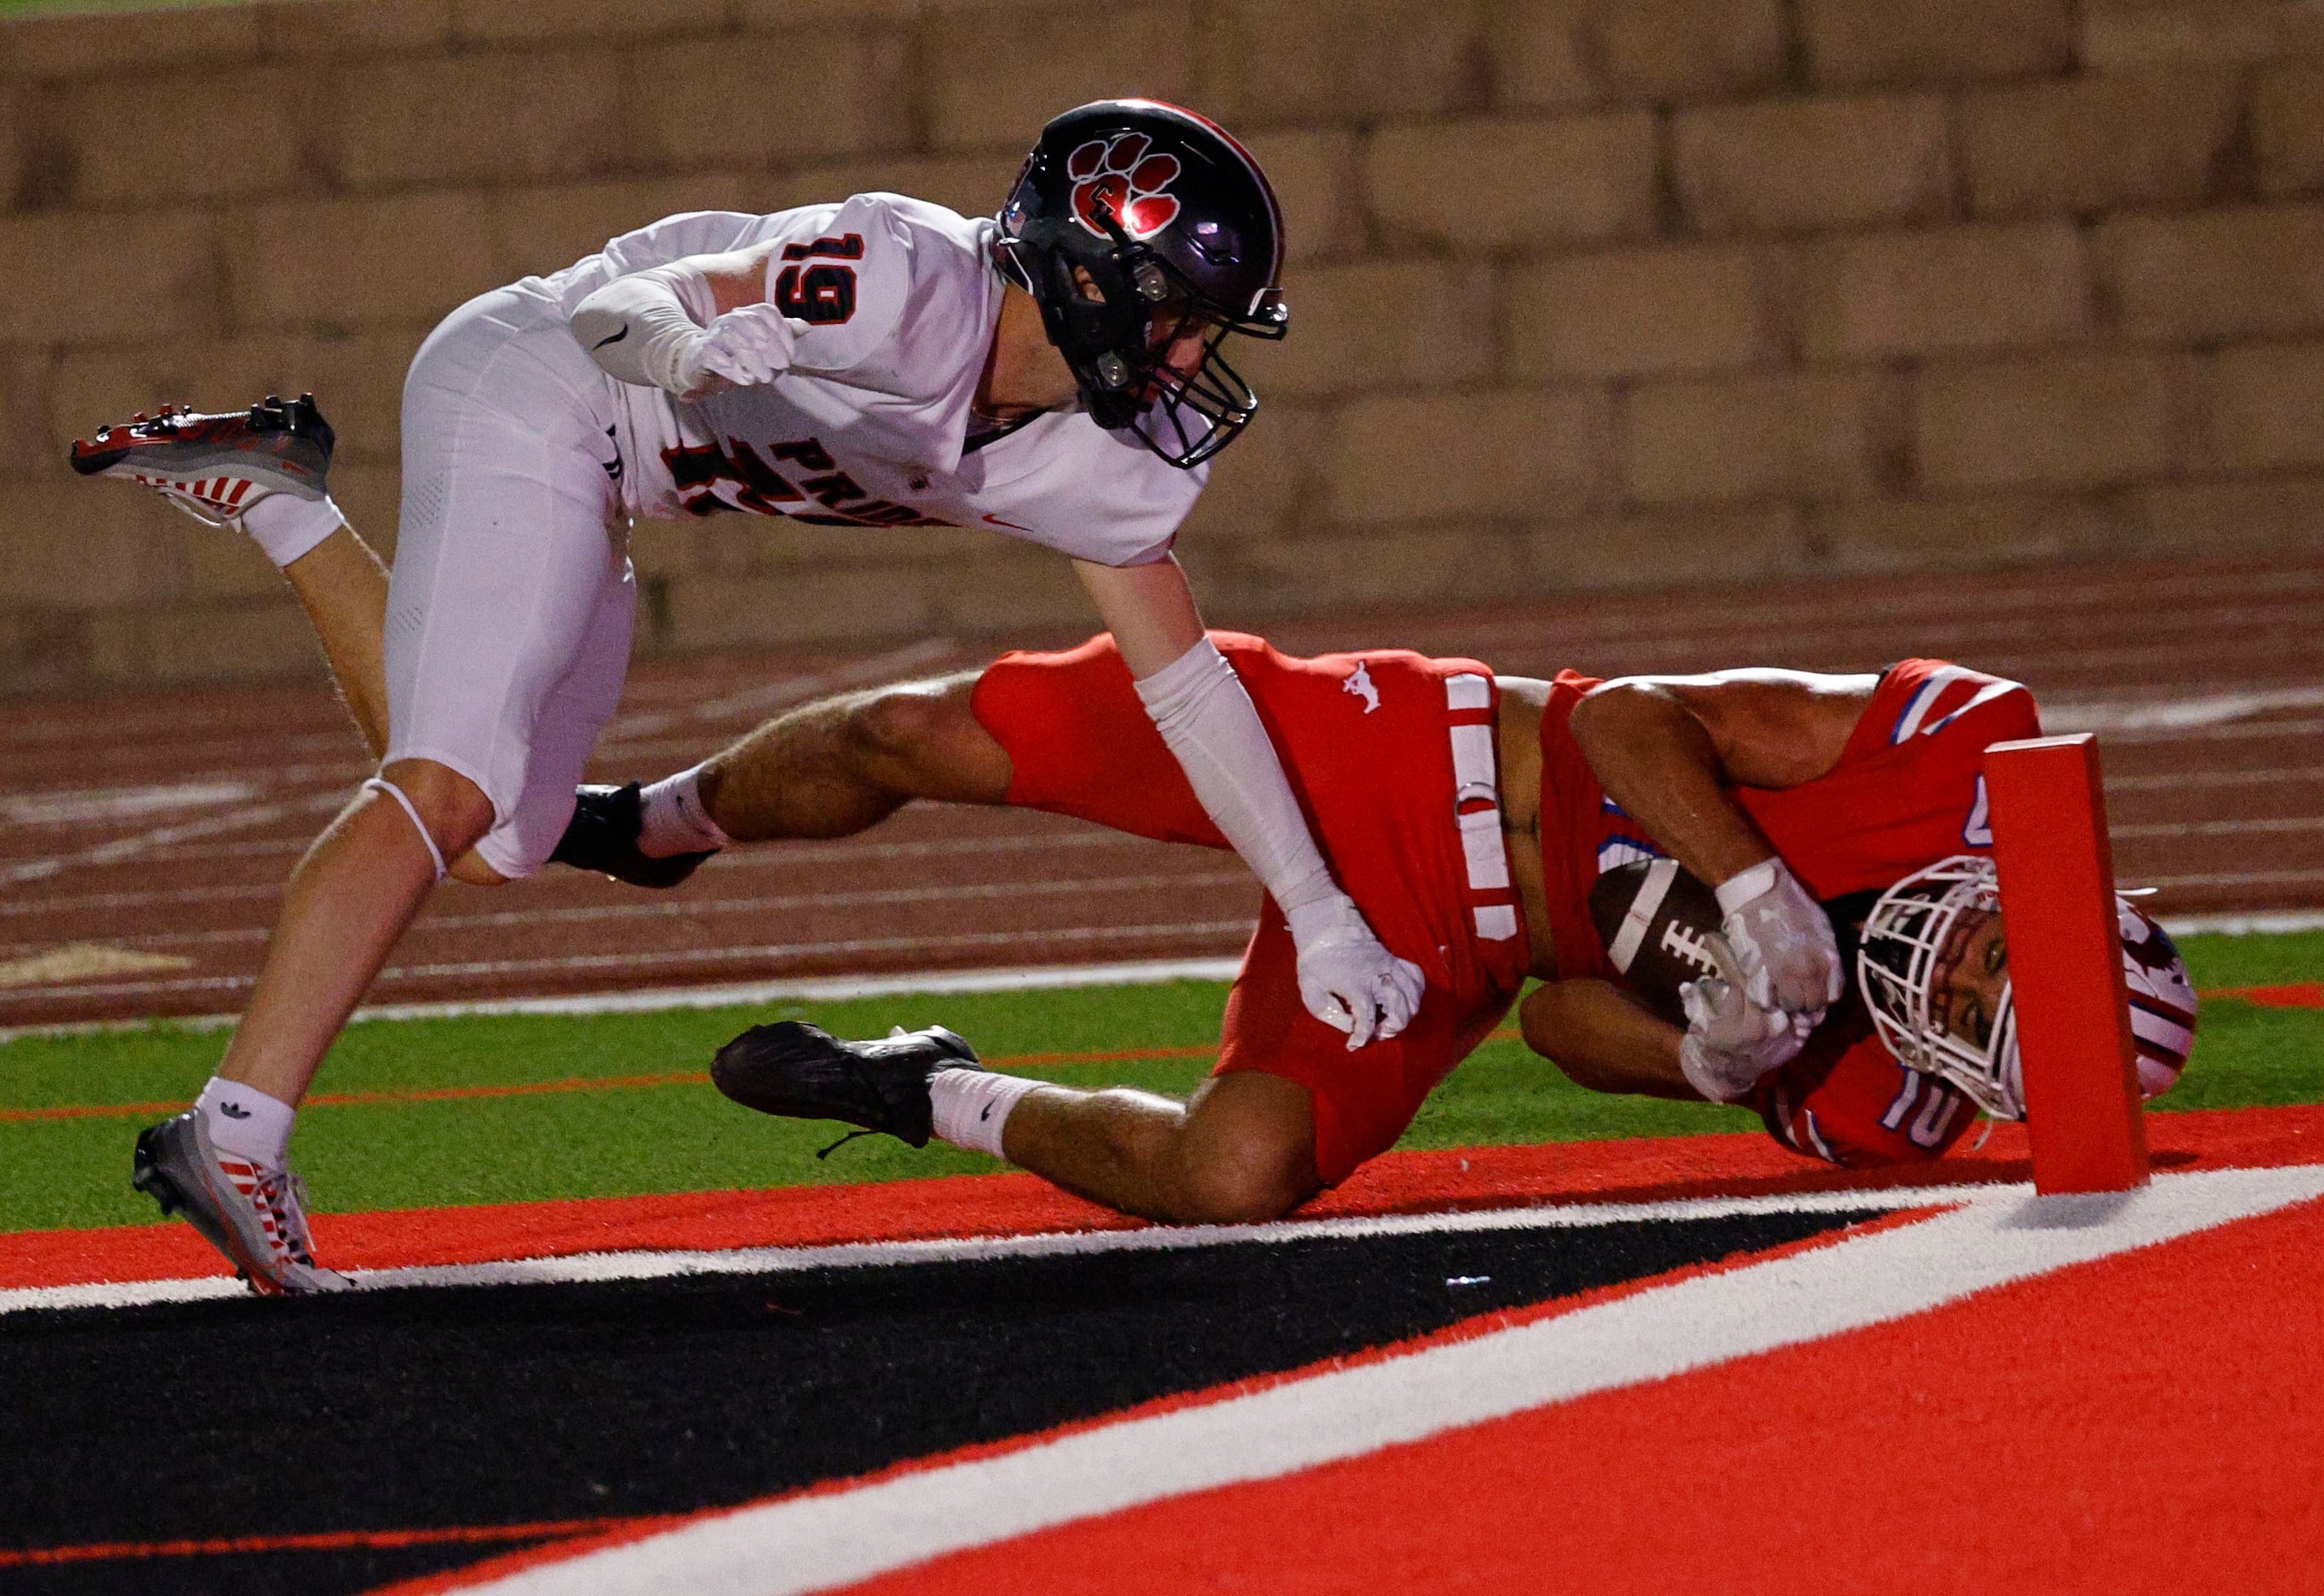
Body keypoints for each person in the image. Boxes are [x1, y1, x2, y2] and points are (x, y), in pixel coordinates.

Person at [71, 100, 1425, 1295]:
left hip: (617, 470)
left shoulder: (1096, 454)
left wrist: (1318, 914)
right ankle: (231, 1135)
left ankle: (284, 503)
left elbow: (1189, 691)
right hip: (545, 378)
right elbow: (615, 314)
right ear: (1089, 277)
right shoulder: (907, 281)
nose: (1191, 363)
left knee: (495, 843)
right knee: (446, 785)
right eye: (1182, 320)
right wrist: (688, 354)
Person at [563, 635, 2197, 1223]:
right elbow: (1628, 716)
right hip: (1416, 761)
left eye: (1989, 1002)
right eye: (2008, 940)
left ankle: (930, 1089)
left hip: (1452, 946)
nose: (1963, 960)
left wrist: (1706, 1053)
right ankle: (654, 826)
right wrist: (1757, 886)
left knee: (1234, 1177)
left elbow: (1559, 1022)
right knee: (917, 738)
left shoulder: (1881, 1115)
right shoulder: (1968, 753)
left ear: (1986, 1075)